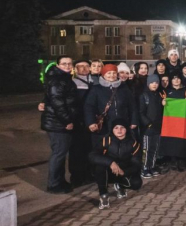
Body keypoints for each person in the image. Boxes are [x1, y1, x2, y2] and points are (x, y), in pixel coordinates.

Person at [41, 56, 78, 194]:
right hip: (57, 123)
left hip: (58, 122)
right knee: (58, 153)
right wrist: (67, 121)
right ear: (57, 65)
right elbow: (58, 103)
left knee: (61, 153)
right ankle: (54, 184)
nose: (68, 66)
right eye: (64, 64)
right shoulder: (57, 80)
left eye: (69, 63)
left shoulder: (63, 78)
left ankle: (60, 181)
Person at [88, 118, 142, 209]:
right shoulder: (106, 141)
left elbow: (137, 164)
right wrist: (111, 163)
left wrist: (124, 172)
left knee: (136, 184)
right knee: (100, 167)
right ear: (112, 129)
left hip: (122, 171)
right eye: (116, 128)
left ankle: (120, 186)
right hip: (108, 172)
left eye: (122, 128)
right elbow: (92, 156)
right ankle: (104, 195)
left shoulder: (134, 144)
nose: (119, 130)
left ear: (126, 129)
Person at [84, 64, 139, 148]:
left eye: (114, 73)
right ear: (103, 74)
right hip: (105, 125)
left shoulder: (123, 88)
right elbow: (89, 107)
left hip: (122, 123)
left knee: (121, 147)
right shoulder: (96, 89)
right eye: (109, 73)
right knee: (104, 147)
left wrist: (134, 120)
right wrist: (91, 122)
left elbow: (132, 106)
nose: (112, 75)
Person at [70, 59, 94, 187]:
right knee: (76, 150)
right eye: (81, 66)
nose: (84, 69)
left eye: (86, 66)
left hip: (91, 121)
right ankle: (77, 177)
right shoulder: (72, 83)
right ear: (75, 69)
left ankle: (89, 174)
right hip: (78, 122)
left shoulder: (94, 82)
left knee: (90, 149)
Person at [139, 74, 165, 178]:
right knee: (147, 148)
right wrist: (148, 123)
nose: (154, 85)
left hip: (158, 127)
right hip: (148, 128)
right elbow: (140, 112)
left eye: (156, 83)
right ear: (148, 83)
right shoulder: (144, 96)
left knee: (155, 148)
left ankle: (152, 166)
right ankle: (145, 167)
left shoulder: (159, 95)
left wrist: (163, 104)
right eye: (152, 83)